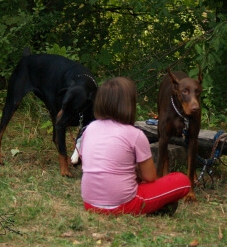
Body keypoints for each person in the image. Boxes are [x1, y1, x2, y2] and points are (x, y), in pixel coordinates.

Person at [79, 77, 192, 215]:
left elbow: (87, 161)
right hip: (123, 203)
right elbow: (150, 177)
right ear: (129, 105)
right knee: (182, 181)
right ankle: (155, 207)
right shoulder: (134, 134)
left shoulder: (90, 128)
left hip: (89, 204)